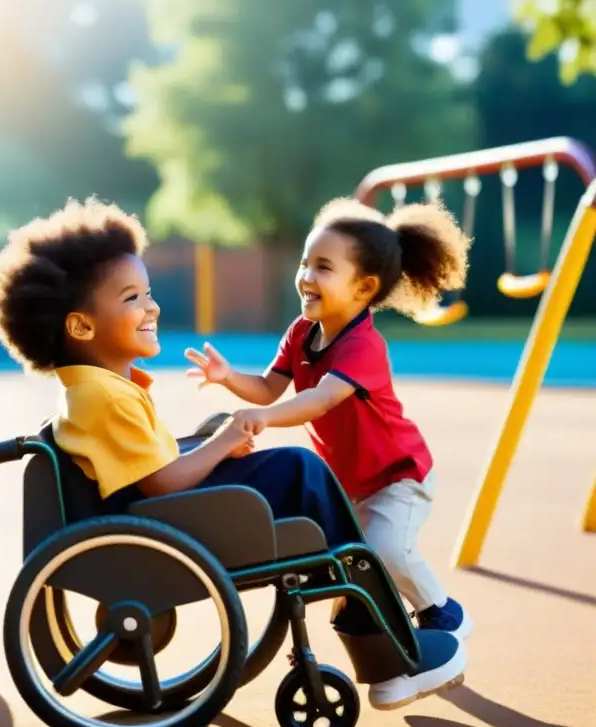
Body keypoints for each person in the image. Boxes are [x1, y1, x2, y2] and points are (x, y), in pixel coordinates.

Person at [0, 196, 467, 711]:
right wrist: (222, 440)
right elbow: (163, 482)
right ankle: (389, 647)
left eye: (148, 293)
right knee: (301, 470)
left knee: (300, 479)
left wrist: (217, 438)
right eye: (133, 298)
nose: (152, 307)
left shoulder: (100, 389)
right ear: (81, 327)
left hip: (160, 512)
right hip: (161, 520)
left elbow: (155, 461)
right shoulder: (103, 396)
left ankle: (366, 609)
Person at [186, 196, 473, 643]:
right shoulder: (301, 333)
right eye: (305, 263)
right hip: (353, 482)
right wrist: (228, 379)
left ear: (363, 289)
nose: (306, 276)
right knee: (349, 555)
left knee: (385, 550)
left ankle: (441, 611)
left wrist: (261, 417)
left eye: (323, 267)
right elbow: (268, 387)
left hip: (399, 476)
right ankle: (373, 615)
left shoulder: (364, 347)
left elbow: (320, 400)